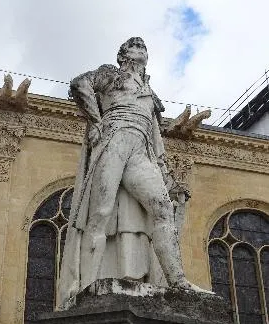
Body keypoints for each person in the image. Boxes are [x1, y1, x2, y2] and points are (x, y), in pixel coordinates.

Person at [58, 37, 210, 308]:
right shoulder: (110, 74)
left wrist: (167, 176)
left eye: (144, 47)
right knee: (100, 213)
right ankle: (86, 287)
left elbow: (155, 137)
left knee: (162, 209)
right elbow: (79, 84)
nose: (140, 48)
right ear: (122, 55)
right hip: (115, 137)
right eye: (134, 46)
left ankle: (178, 282)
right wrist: (95, 121)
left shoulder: (150, 92)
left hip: (141, 150)